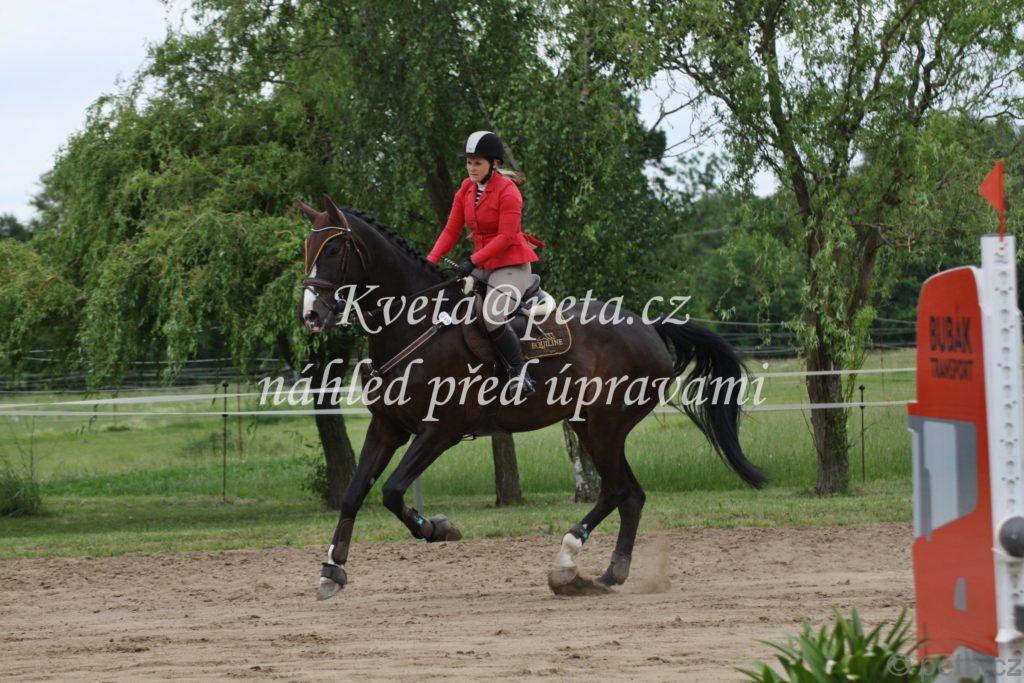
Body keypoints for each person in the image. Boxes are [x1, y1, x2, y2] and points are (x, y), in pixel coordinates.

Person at [426, 130, 545, 395]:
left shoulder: (509, 192)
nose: (471, 168)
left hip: (511, 264)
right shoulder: (465, 189)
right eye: (469, 162)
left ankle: (519, 373)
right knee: (447, 299)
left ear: (494, 164)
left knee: (492, 315)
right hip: (483, 264)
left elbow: (507, 237)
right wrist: (429, 262)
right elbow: (451, 230)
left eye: (477, 163)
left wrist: (473, 260)